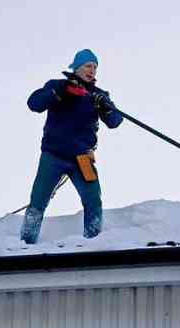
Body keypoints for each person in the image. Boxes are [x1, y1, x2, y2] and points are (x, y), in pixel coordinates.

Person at [20, 49, 123, 244]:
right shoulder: (57, 86)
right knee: (38, 200)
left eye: (95, 67)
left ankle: (93, 242)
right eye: (87, 66)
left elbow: (115, 121)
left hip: (83, 158)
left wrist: (105, 105)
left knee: (93, 200)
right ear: (76, 68)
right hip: (53, 155)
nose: (92, 70)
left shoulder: (98, 95)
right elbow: (34, 103)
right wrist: (59, 92)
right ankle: (25, 243)